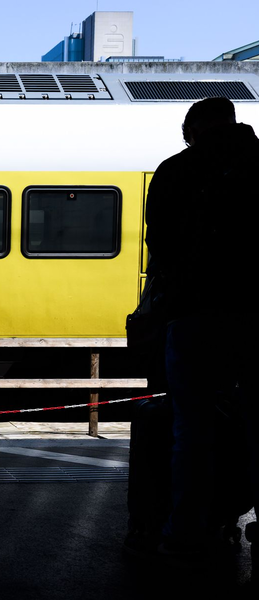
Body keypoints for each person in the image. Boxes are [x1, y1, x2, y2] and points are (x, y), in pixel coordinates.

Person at [145, 97, 259, 557]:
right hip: (256, 315)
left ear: (193, 130)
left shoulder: (175, 171)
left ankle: (186, 530)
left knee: (191, 430)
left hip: (194, 315)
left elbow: (162, 248)